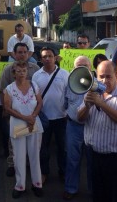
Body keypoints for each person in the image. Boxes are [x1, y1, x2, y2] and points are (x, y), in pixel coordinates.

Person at [78, 60, 117, 202]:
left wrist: (101, 104)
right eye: (101, 76)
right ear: (96, 77)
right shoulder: (90, 93)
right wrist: (87, 106)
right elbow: (80, 118)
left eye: (109, 76)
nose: (105, 80)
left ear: (116, 76)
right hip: (95, 157)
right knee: (99, 195)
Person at [0, 42, 40, 177]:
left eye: (24, 52)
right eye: (19, 52)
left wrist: (35, 113)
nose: (22, 55)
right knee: (14, 140)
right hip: (15, 114)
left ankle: (28, 164)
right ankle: (12, 164)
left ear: (28, 53)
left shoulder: (35, 69)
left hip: (32, 113)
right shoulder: (8, 70)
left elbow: (39, 92)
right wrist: (5, 109)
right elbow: (2, 91)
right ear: (14, 54)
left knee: (32, 140)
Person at [4, 61, 44, 199]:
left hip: (33, 123)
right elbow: (7, 108)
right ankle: (20, 185)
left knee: (34, 155)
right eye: (19, 71)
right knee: (18, 156)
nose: (22, 73)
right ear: (14, 73)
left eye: (24, 70)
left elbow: (40, 102)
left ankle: (37, 183)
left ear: (27, 71)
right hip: (18, 124)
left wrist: (32, 116)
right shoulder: (9, 89)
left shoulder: (34, 85)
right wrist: (25, 117)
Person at [32, 47, 69, 184]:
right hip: (43, 118)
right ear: (41, 59)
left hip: (61, 117)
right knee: (43, 148)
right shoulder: (36, 76)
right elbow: (34, 98)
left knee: (63, 148)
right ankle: (44, 172)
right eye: (44, 57)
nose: (47, 59)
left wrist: (68, 112)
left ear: (55, 57)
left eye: (50, 56)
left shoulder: (65, 74)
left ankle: (63, 172)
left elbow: (68, 94)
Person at [63, 56, 92, 200]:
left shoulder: (97, 84)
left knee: (92, 160)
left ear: (90, 67)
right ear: (74, 68)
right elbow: (65, 103)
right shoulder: (69, 84)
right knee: (72, 159)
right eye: (78, 66)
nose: (81, 68)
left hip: (92, 127)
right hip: (73, 127)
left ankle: (93, 189)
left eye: (84, 65)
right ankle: (71, 188)